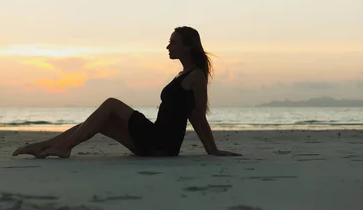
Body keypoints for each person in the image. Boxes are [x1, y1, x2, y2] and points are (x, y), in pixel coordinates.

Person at [12, 26, 241, 159]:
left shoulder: (196, 76)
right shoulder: (183, 75)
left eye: (172, 42)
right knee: (99, 121)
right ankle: (47, 145)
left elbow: (197, 115)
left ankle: (63, 147)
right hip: (154, 141)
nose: (168, 47)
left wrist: (212, 150)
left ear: (187, 46)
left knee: (111, 104)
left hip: (161, 144)